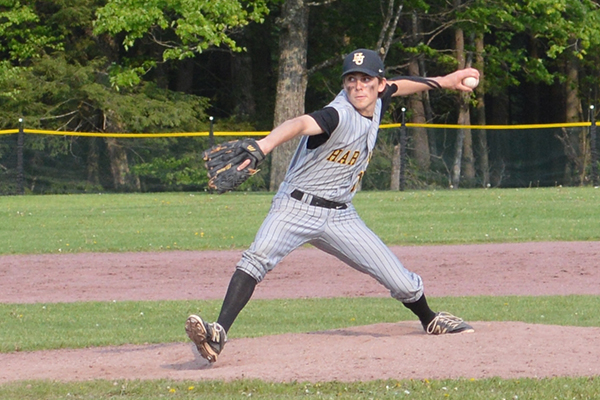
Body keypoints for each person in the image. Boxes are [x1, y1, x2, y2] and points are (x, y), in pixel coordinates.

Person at [186, 48, 480, 363]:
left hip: (341, 215)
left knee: (399, 279)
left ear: (378, 84)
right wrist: (264, 145)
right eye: (351, 79)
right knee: (256, 259)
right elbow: (300, 123)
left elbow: (400, 85)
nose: (358, 86)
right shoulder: (337, 114)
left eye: (366, 79)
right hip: (294, 207)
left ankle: (428, 318)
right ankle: (217, 334)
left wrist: (446, 81)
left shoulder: (380, 98)